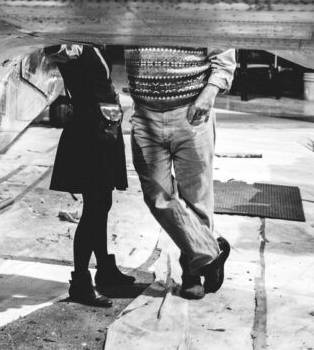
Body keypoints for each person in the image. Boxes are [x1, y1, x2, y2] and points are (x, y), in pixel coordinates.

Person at [125, 46, 235, 300]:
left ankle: (192, 274)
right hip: (145, 114)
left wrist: (209, 93)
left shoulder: (198, 17)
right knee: (156, 193)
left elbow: (224, 57)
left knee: (196, 196)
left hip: (192, 111)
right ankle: (210, 253)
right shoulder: (130, 18)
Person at [45, 44, 136, 307]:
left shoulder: (94, 45)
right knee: (95, 207)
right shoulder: (75, 46)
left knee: (102, 204)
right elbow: (56, 48)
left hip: (103, 129)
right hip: (89, 133)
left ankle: (105, 268)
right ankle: (81, 283)